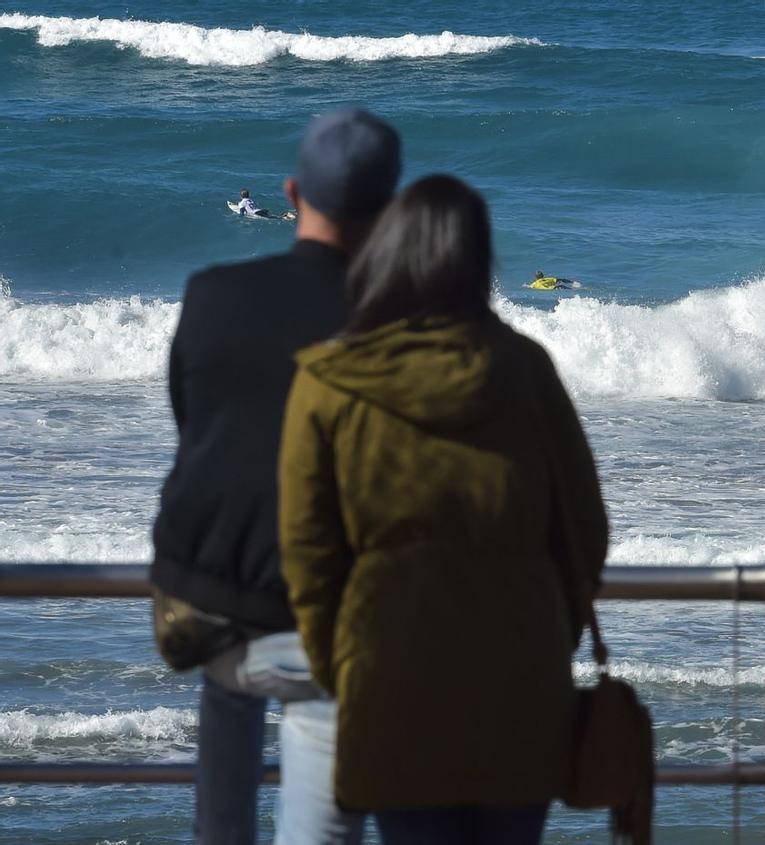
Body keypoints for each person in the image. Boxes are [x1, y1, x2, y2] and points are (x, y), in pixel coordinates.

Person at [279, 174, 609, 844]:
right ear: (479, 260)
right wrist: (552, 635)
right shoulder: (525, 368)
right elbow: (586, 528)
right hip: (521, 674)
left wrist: (338, 663)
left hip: (388, 670)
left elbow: (306, 552)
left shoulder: (328, 380)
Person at [151, 108, 401, 845]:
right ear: (389, 210)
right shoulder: (398, 320)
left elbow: (189, 421)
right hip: (332, 612)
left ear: (293, 193)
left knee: (227, 729)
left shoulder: (211, 293)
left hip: (212, 599)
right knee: (321, 808)